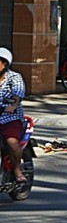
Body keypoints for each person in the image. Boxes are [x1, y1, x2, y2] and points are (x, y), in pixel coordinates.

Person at [0, 47, 28, 183]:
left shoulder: (14, 77)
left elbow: (18, 93)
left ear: (4, 64)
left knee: (11, 141)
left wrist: (13, 105)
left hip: (9, 118)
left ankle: (17, 169)